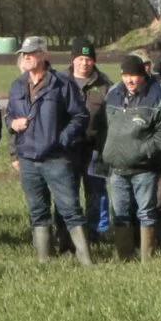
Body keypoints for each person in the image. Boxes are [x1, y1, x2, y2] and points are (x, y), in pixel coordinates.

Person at [6, 35, 92, 265]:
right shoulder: (17, 85)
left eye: (31, 53)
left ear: (44, 56)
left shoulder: (62, 83)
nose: (26, 58)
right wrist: (12, 124)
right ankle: (45, 261)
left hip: (56, 159)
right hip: (28, 159)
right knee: (37, 211)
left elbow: (80, 116)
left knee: (70, 209)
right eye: (24, 54)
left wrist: (61, 140)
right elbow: (9, 115)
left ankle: (87, 262)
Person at [100, 53, 161, 263]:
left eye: (134, 75)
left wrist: (146, 150)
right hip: (117, 169)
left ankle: (147, 259)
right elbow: (103, 127)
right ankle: (124, 257)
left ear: (143, 74)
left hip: (144, 168)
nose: (130, 80)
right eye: (126, 75)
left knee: (146, 213)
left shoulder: (158, 96)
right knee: (120, 213)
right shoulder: (113, 94)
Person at [66, 42, 112, 243]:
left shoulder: (105, 84)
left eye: (88, 59)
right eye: (80, 59)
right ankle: (71, 233)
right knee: (69, 190)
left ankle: (97, 232)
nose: (84, 63)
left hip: (95, 147)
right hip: (69, 148)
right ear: (73, 60)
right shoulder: (61, 81)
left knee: (97, 191)